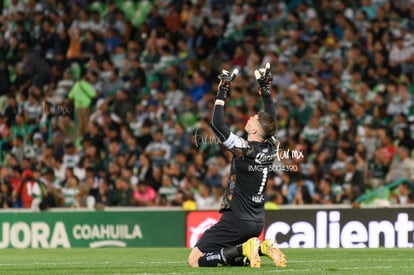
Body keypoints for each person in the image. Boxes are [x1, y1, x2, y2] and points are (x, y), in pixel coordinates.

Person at [188, 63, 286, 268]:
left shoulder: (244, 148)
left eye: (254, 119)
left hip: (237, 220)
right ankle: (260, 248)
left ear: (256, 131)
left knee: (195, 260)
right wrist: (265, 91)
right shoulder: (271, 146)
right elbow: (272, 121)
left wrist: (223, 89)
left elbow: (217, 124)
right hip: (257, 221)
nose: (250, 118)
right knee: (225, 258)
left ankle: (245, 248)